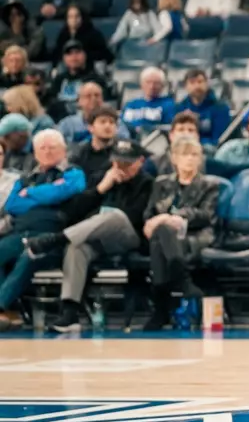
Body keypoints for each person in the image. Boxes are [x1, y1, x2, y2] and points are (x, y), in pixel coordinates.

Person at [26, 140, 154, 333]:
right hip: (97, 238)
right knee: (76, 248)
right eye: (118, 163)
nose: (122, 168)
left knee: (114, 216)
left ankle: (56, 239)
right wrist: (101, 188)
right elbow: (74, 211)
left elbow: (137, 218)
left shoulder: (148, 183)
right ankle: (69, 313)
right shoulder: (103, 177)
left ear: (140, 161)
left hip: (129, 238)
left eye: (128, 164)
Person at [0, 130, 87, 328]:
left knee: (29, 256)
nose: (47, 152)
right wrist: (49, 195)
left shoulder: (73, 172)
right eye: (42, 148)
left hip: (52, 237)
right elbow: (13, 205)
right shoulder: (26, 177)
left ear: (63, 150)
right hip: (20, 233)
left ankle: (1, 307)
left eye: (52, 147)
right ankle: (10, 312)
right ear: (35, 152)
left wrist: (30, 194)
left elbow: (68, 190)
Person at [140, 137, 220, 331]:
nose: (190, 159)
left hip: (196, 235)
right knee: (162, 233)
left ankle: (161, 308)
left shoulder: (210, 185)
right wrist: (159, 221)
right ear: (174, 158)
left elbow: (206, 216)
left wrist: (168, 218)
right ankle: (182, 281)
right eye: (185, 154)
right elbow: (148, 215)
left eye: (194, 154)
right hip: (166, 238)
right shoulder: (161, 183)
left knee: (162, 231)